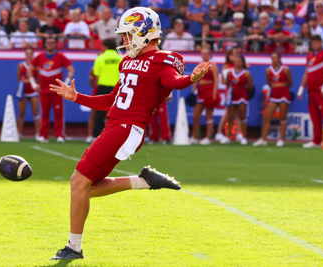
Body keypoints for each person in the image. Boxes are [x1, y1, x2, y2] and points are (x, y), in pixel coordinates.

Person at [47, 7, 211, 260]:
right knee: (85, 188)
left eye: (127, 35)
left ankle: (73, 248)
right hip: (116, 125)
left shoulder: (162, 60)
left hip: (126, 128)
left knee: (78, 182)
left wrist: (192, 78)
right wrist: (76, 97)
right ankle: (145, 181)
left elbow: (173, 82)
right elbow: (112, 100)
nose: (124, 41)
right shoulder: (127, 61)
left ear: (143, 32)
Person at [29, 37, 74, 143]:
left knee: (59, 114)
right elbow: (30, 68)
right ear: (45, 44)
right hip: (44, 91)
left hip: (57, 92)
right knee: (44, 114)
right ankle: (44, 135)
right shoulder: (40, 57)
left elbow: (71, 70)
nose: (50, 44)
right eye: (48, 42)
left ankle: (60, 135)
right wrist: (33, 83)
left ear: (55, 44)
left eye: (52, 42)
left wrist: (65, 84)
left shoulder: (61, 56)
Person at [297, 35, 323, 148]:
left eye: (317, 42)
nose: (315, 44)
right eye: (313, 42)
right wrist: (301, 88)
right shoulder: (310, 56)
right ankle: (317, 140)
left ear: (321, 42)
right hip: (311, 89)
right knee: (314, 115)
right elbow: (307, 73)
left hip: (322, 89)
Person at [253, 52, 292, 147]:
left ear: (279, 58)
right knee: (267, 116)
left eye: (276, 58)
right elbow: (269, 83)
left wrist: (281, 87)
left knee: (282, 117)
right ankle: (263, 139)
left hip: (284, 93)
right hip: (274, 94)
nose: (274, 60)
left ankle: (281, 139)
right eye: (272, 58)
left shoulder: (285, 69)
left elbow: (290, 83)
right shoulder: (268, 70)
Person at [92, 39, 122, 137]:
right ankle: (117, 135)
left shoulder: (100, 58)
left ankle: (97, 135)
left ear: (106, 47)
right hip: (117, 88)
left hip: (103, 87)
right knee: (118, 113)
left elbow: (96, 75)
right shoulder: (120, 58)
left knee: (99, 113)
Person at [221, 55, 253, 145]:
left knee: (242, 117)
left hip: (242, 95)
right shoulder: (229, 73)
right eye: (236, 60)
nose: (237, 62)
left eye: (239, 61)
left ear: (243, 63)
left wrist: (241, 89)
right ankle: (227, 137)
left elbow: (250, 87)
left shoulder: (246, 73)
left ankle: (243, 137)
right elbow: (228, 84)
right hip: (232, 96)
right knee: (230, 117)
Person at [190, 47, 219, 145]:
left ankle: (208, 137)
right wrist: (193, 91)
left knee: (209, 116)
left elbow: (216, 80)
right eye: (202, 54)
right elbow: (195, 78)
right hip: (200, 92)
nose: (204, 55)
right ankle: (194, 137)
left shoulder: (213, 66)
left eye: (206, 54)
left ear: (209, 54)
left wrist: (214, 94)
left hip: (209, 91)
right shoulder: (199, 65)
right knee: (196, 115)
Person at [16, 47, 41, 141]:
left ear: (33, 54)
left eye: (30, 53)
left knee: (36, 112)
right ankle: (19, 133)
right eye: (27, 53)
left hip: (33, 91)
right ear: (25, 55)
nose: (29, 55)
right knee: (21, 113)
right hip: (23, 91)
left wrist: (32, 83)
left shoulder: (36, 67)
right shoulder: (21, 65)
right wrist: (26, 81)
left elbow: (38, 79)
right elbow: (19, 78)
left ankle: (38, 133)